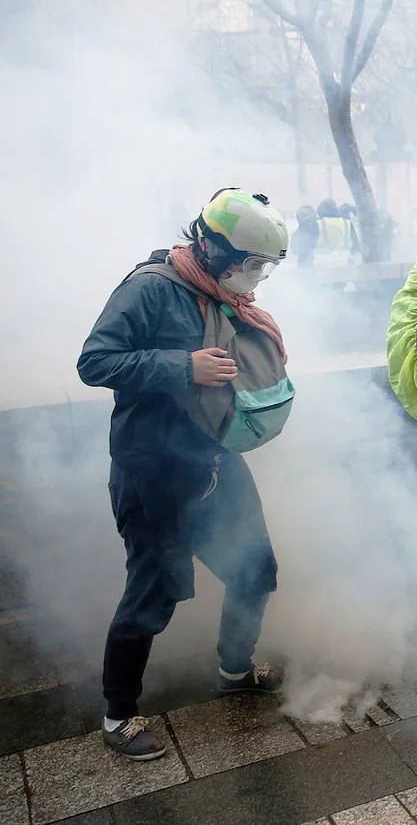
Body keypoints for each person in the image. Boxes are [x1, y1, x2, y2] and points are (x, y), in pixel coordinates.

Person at [77, 189, 291, 760]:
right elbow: (94, 362)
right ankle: (117, 714)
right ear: (213, 247)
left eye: (263, 266)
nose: (256, 276)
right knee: (153, 592)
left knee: (255, 570)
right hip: (155, 470)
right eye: (249, 263)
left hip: (215, 460)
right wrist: (182, 367)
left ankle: (234, 670)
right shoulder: (151, 288)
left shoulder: (221, 294)